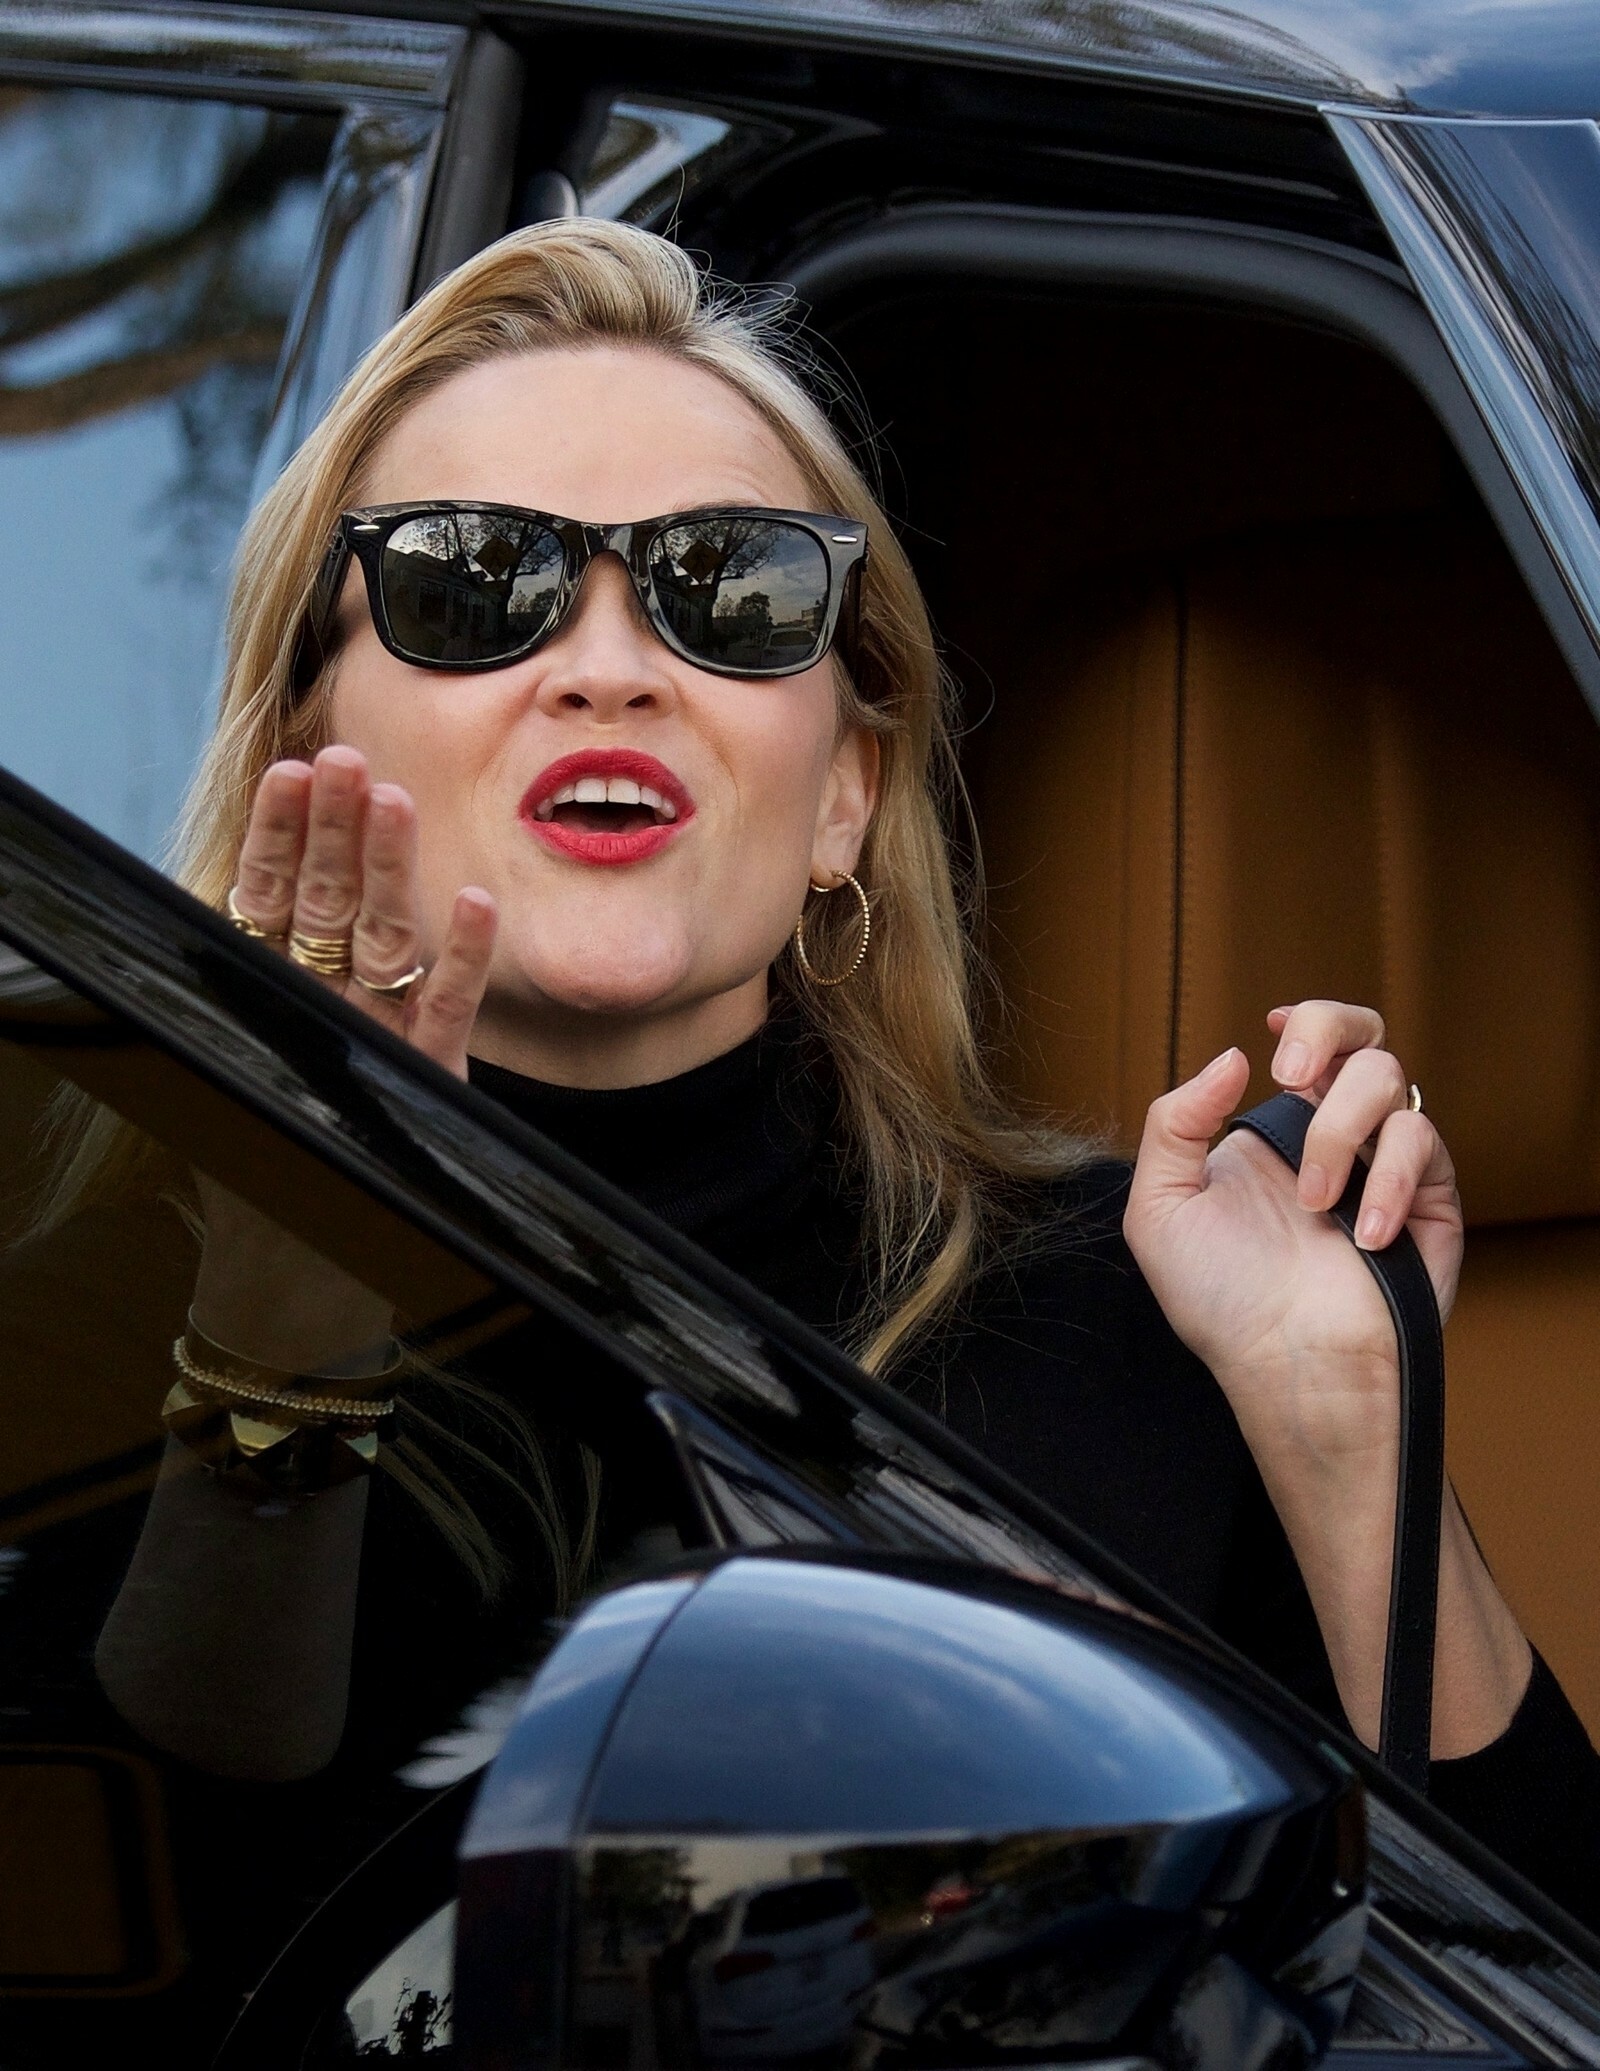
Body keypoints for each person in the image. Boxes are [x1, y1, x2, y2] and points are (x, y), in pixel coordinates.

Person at [92, 219, 1596, 1918]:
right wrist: (284, 1321)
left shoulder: (1154, 1309)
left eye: (732, 589)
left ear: (845, 801)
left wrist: (1346, 1434)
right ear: (304, 737)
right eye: (474, 584)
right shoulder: (76, 1276)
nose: (610, 670)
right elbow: (145, 1937)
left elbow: (1535, 1981)